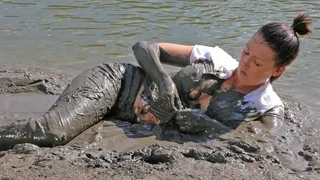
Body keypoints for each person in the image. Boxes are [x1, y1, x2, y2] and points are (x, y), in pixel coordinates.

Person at [0, 13, 312, 151]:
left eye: (256, 62)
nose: (243, 63)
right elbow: (144, 47)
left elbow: (256, 145)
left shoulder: (267, 109)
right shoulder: (216, 59)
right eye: (245, 52)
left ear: (278, 71)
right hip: (116, 83)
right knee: (53, 131)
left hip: (133, 118)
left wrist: (209, 128)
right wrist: (162, 79)